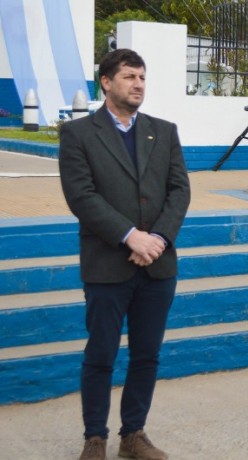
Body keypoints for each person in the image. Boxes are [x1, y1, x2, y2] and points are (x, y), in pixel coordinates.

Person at [59, 49, 191, 460]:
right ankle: (94, 437)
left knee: (146, 355)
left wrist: (159, 240)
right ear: (106, 82)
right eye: (130, 76)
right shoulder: (79, 134)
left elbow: (179, 190)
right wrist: (131, 236)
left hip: (157, 266)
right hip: (107, 264)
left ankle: (133, 435)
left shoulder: (163, 131)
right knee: (101, 354)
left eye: (142, 78)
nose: (138, 84)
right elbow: (81, 196)